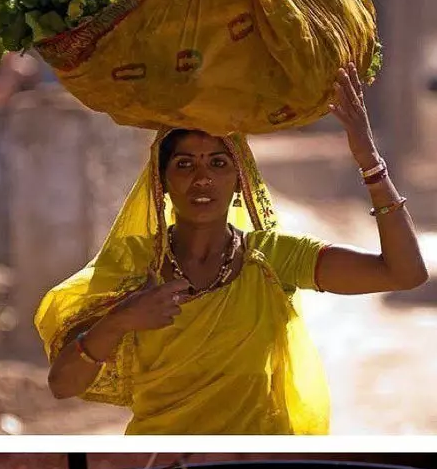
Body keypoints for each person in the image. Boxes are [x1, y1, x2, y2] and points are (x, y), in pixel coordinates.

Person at [35, 65, 427, 434]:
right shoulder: (134, 262)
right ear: (163, 182)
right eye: (185, 164)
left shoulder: (274, 258)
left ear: (240, 182)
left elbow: (404, 273)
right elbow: (62, 385)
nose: (202, 178)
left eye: (218, 163)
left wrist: (370, 163)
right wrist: (120, 319)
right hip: (161, 456)